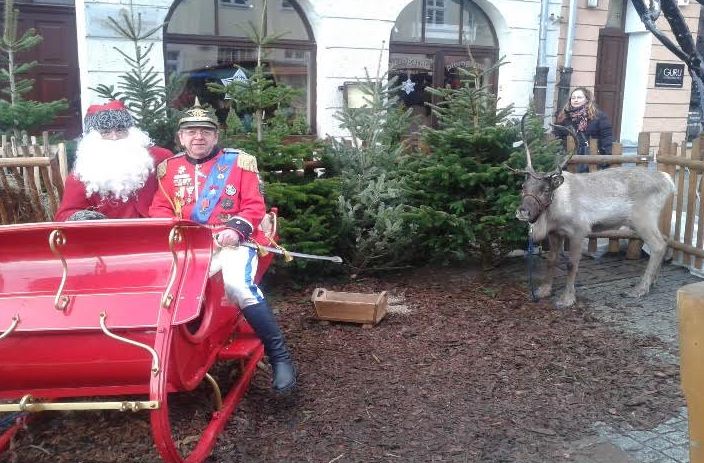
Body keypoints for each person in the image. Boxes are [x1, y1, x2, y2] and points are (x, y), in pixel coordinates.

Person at [149, 99, 297, 394]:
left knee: (238, 286)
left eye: (205, 131)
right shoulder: (169, 168)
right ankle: (173, 354)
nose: (198, 137)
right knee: (165, 291)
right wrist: (178, 231)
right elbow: (159, 209)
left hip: (233, 242)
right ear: (181, 137)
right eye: (191, 132)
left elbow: (254, 206)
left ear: (216, 136)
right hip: (190, 246)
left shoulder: (239, 163)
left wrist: (234, 230)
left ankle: (280, 356)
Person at [54, 100, 173, 221]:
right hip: (109, 231)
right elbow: (65, 215)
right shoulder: (83, 172)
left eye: (120, 130)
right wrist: (82, 217)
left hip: (157, 227)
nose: (114, 137)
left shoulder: (160, 158)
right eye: (106, 132)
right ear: (92, 138)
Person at [555, 87, 613, 172]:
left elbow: (607, 137)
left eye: (579, 97)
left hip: (592, 161)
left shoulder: (599, 117)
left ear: (587, 99)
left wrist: (608, 156)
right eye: (573, 98)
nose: (576, 100)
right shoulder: (563, 117)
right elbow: (557, 138)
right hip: (569, 160)